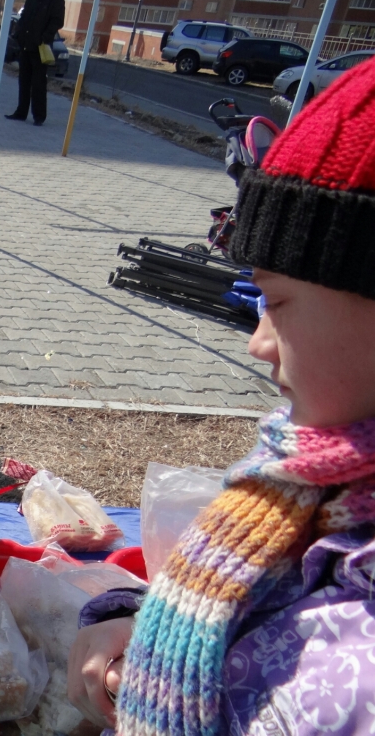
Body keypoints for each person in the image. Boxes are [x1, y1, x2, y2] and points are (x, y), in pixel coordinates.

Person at [67, 61, 375, 736]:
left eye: (280, 303)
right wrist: (140, 620)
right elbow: (271, 600)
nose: (256, 343)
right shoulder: (323, 478)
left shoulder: (350, 680)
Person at [5, 0, 65, 126]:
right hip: (25, 44)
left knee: (38, 83)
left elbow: (57, 21)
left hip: (40, 47)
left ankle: (39, 116)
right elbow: (25, 15)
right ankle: (21, 112)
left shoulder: (56, 1)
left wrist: (44, 37)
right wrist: (18, 33)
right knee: (24, 80)